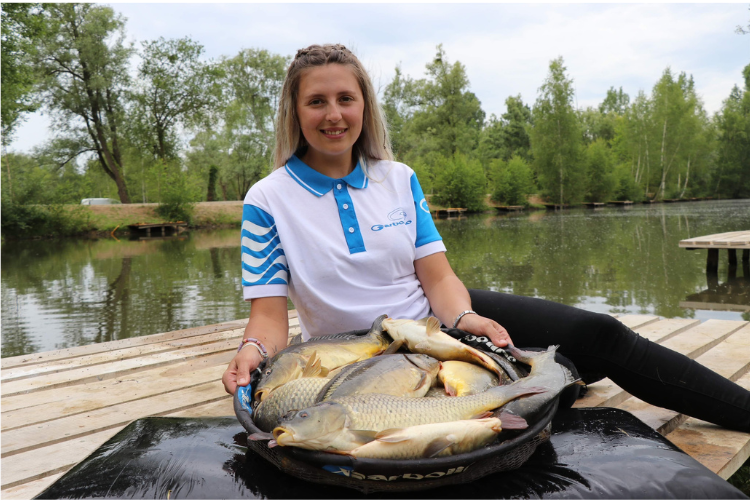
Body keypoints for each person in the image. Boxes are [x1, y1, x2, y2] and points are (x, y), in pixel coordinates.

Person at [222, 43, 750, 433]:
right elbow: (269, 317)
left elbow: (439, 277)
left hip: (436, 322)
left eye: (346, 98)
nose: (334, 115)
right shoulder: (266, 200)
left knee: (601, 333)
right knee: (533, 391)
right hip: (361, 356)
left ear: (365, 106)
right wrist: (251, 349)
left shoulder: (398, 178)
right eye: (317, 102)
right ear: (295, 111)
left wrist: (466, 320)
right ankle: (557, 377)